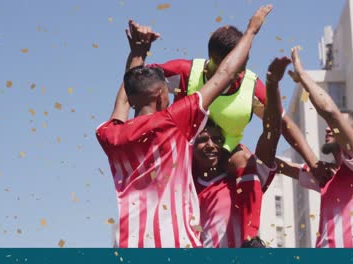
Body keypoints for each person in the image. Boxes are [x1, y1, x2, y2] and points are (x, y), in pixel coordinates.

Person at [112, 21, 320, 245]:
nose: (241, 67)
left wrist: (314, 163)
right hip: (181, 158)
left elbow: (281, 125)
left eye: (245, 59)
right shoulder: (187, 72)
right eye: (237, 60)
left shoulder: (250, 85)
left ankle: (251, 240)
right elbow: (138, 82)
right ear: (216, 60)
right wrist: (138, 51)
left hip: (228, 158)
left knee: (246, 157)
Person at [96, 5, 273, 248]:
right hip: (177, 244)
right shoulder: (174, 123)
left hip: (132, 245)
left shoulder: (108, 134)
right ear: (160, 95)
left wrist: (137, 53)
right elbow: (226, 73)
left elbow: (124, 98)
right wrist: (251, 31)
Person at [276, 47, 353, 248]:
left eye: (337, 126)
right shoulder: (326, 176)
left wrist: (303, 77)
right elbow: (278, 165)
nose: (328, 128)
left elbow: (329, 112)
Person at [192, 56, 289, 247]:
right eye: (202, 140)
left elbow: (272, 132)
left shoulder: (245, 177)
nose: (211, 145)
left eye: (217, 140)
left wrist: (272, 85)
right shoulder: (184, 187)